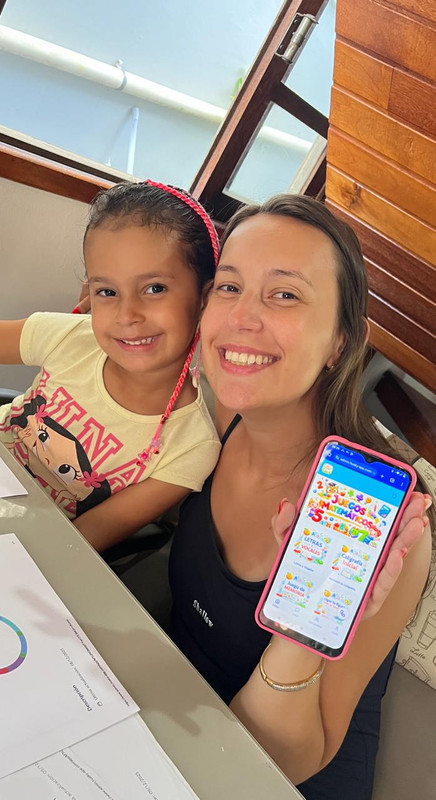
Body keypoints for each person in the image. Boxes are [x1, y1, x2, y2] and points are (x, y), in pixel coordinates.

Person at [168, 195, 433, 798]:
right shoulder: (222, 413)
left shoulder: (378, 524)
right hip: (175, 719)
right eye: (228, 287)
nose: (242, 318)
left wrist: (300, 628)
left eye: (285, 295)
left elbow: (286, 764)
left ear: (341, 341)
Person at [0, 180, 221, 551]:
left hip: (26, 547)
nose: (127, 315)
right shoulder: (71, 336)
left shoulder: (192, 447)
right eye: (107, 292)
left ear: (204, 298)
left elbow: (79, 543)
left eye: (154, 288)